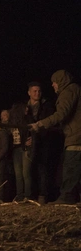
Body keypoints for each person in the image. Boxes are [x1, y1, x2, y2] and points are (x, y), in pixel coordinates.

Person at [30, 70, 81, 205]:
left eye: (54, 82)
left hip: (76, 138)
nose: (53, 86)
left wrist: (41, 124)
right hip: (76, 135)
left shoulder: (68, 91)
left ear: (60, 81)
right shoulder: (75, 90)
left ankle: (67, 197)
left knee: (70, 168)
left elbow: (61, 114)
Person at [24, 81, 57, 204]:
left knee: (43, 168)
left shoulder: (47, 106)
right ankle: (31, 196)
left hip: (44, 142)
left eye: (39, 91)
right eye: (34, 91)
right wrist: (26, 139)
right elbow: (23, 126)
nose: (37, 93)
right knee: (30, 169)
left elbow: (49, 123)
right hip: (31, 143)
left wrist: (37, 135)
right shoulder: (25, 108)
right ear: (29, 93)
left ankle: (43, 195)